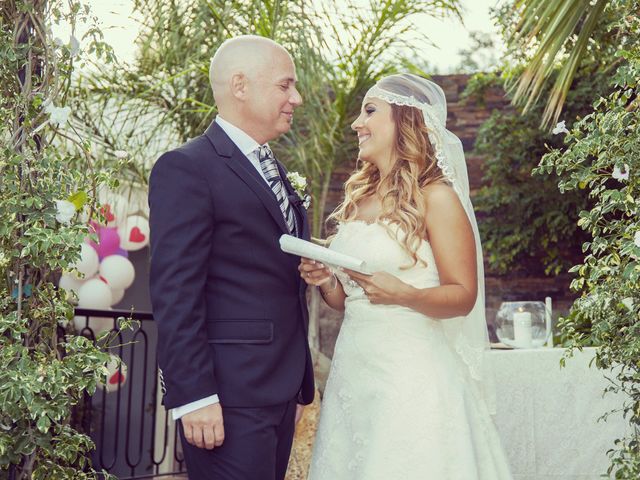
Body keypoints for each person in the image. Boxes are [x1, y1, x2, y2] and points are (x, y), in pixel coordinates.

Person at [301, 74, 512, 479]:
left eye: (369, 111)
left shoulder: (437, 197)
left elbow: (464, 295)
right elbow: (346, 299)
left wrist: (405, 295)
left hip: (411, 375)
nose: (356, 124)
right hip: (355, 374)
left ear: (405, 121)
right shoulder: (357, 199)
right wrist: (326, 279)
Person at [148, 35, 315, 480]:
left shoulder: (275, 169)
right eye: (285, 86)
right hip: (226, 397)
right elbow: (174, 291)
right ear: (241, 86)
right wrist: (195, 397)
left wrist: (296, 390)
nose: (296, 99)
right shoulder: (187, 168)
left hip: (278, 392)